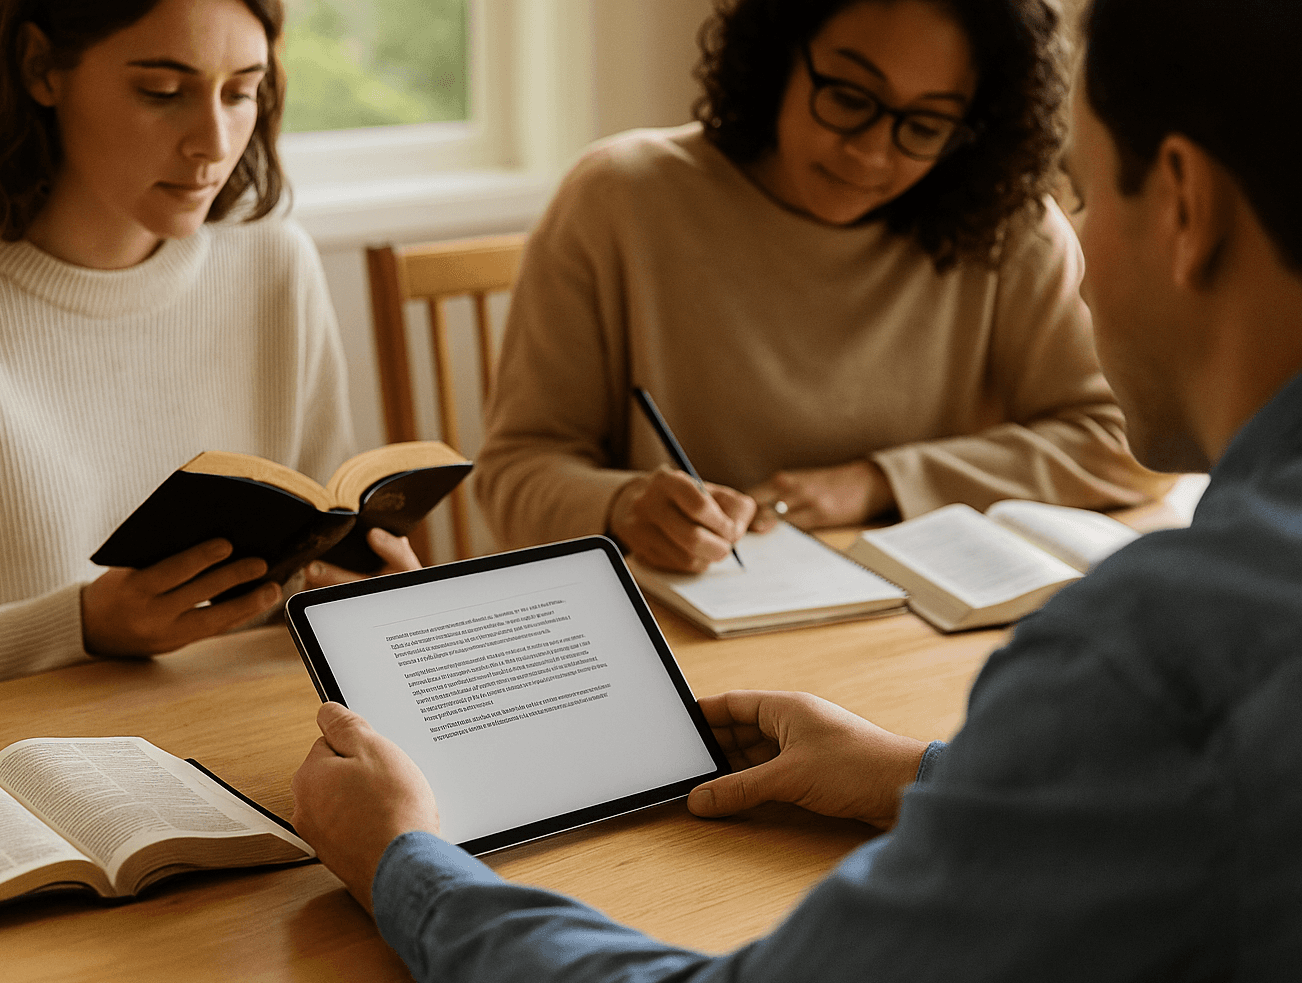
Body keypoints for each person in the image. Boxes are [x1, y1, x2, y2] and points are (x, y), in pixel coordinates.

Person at [288, 0, 1302, 983]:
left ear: (1182, 204)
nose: (1071, 247)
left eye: (1080, 191)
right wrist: (918, 774)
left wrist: (402, 861)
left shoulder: (1163, 653)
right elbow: (1143, 814)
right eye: (849, 96)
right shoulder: (1198, 667)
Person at [0, 0, 415, 722]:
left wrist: (357, 597)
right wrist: (82, 627)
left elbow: (305, 561)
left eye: (241, 92)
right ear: (42, 68)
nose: (215, 141)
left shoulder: (274, 261)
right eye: (162, 93)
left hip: (239, 743)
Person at [474, 0, 1171, 573]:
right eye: (848, 96)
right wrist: (623, 505)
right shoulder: (619, 200)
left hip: (909, 633)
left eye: (924, 124)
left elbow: (1126, 445)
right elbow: (514, 473)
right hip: (681, 632)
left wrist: (876, 481)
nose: (871, 152)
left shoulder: (1004, 226)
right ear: (780, 53)